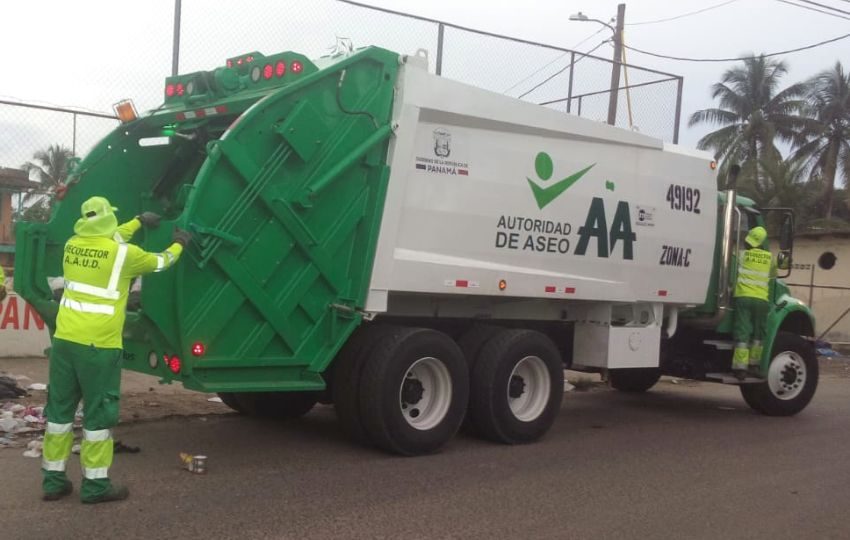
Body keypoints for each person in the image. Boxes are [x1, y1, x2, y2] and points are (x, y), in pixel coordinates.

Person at [41, 196, 191, 504]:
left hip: (65, 342)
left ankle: (53, 482)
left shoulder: (73, 245)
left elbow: (109, 240)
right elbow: (161, 261)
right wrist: (179, 244)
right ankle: (96, 487)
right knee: (98, 416)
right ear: (108, 219)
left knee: (59, 415)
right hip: (99, 347)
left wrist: (137, 221)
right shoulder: (126, 255)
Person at [732, 225, 772, 380]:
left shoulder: (741, 256)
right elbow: (773, 276)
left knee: (743, 331)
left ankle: (740, 369)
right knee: (758, 334)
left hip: (743, 298)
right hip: (762, 300)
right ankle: (754, 366)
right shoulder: (770, 259)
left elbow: (732, 269)